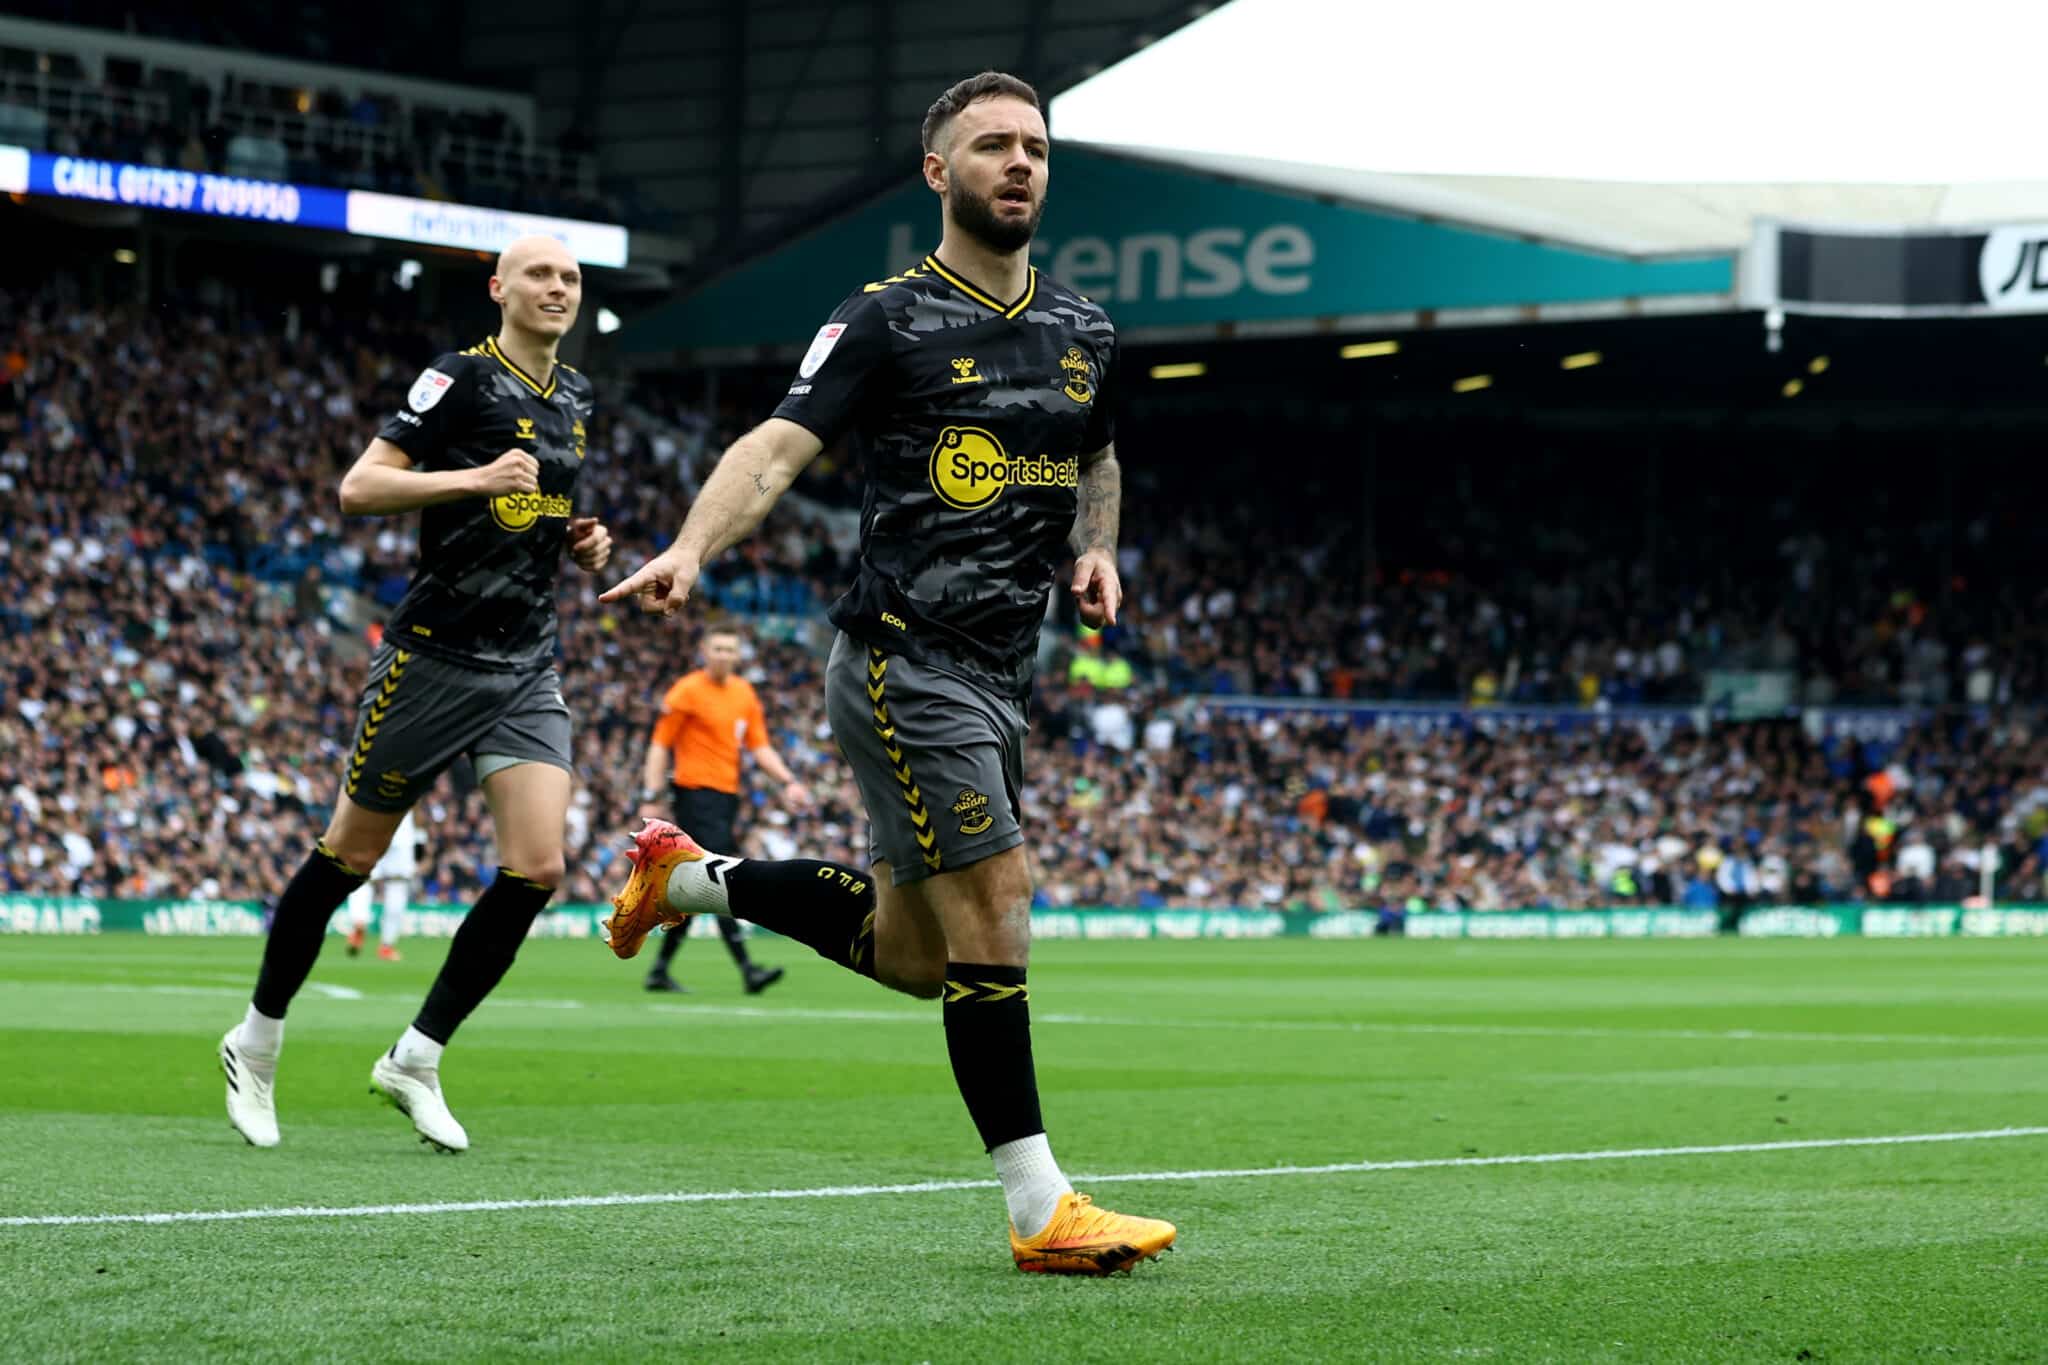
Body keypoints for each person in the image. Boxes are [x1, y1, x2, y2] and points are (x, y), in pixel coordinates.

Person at [598, 72, 1174, 1275]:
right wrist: (693, 547)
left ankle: (691, 880)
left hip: (1000, 675)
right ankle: (1039, 1211)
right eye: (991, 146)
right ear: (937, 172)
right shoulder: (884, 319)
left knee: (919, 960)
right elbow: (772, 450)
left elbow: (1098, 451)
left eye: (1034, 146)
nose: (1018, 163)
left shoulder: (1085, 329)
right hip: (903, 660)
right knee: (997, 909)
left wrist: (1098, 546)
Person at [218, 235, 611, 1154]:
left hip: (526, 664)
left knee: (538, 867)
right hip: (432, 660)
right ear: (499, 288)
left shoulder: (580, 397)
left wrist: (580, 540)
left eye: (570, 278)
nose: (557, 288)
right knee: (348, 857)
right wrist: (475, 475)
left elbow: (531, 518)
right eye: (540, 275)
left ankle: (417, 1055)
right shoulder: (459, 379)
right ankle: (257, 1040)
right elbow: (360, 488)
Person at [636, 627, 807, 995]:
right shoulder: (686, 691)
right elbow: (659, 744)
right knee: (719, 876)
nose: (723, 654)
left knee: (698, 882)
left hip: (726, 798)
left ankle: (660, 970)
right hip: (695, 795)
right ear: (703, 650)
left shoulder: (744, 694)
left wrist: (788, 781)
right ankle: (748, 969)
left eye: (730, 648)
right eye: (716, 648)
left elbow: (760, 747)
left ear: (738, 653)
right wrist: (650, 793)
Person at [343, 806, 417, 962]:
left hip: (371, 817)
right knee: (398, 885)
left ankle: (358, 920)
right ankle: (386, 946)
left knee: (363, 877)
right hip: (401, 826)